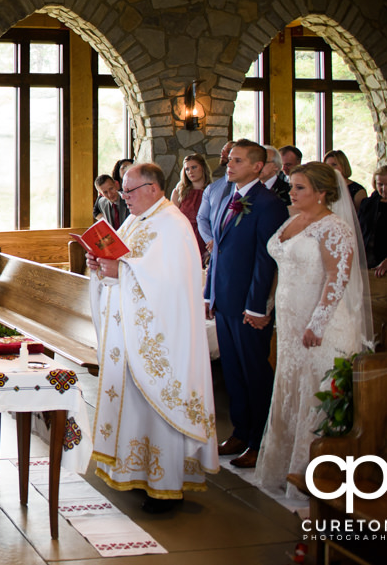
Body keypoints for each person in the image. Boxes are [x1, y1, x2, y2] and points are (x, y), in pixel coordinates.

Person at [86, 163, 218, 513]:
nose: (124, 198)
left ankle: (165, 483)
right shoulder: (137, 219)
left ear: (154, 188)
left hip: (162, 339)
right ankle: (134, 470)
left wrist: (120, 270)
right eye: (123, 191)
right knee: (135, 404)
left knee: (158, 405)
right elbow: (124, 263)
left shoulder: (171, 224)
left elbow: (169, 283)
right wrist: (99, 263)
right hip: (131, 334)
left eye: (129, 191)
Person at [251, 163, 373, 501]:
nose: (292, 192)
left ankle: (319, 479)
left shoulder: (334, 228)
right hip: (290, 323)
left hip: (320, 326)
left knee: (315, 393)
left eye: (300, 188)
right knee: (290, 389)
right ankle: (284, 470)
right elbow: (284, 269)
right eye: (292, 186)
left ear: (322, 192)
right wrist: (269, 307)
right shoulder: (292, 220)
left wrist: (317, 324)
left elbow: (337, 277)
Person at [204, 139, 289, 469]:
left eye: (238, 161)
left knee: (254, 371)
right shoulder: (229, 197)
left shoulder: (268, 203)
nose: (230, 164)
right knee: (233, 370)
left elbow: (265, 260)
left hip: (247, 305)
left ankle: (259, 440)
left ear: (257, 166)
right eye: (230, 160)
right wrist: (209, 294)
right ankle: (240, 431)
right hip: (224, 300)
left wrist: (256, 306)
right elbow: (218, 252)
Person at [171, 153, 211, 255]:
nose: (190, 172)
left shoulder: (212, 191)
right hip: (184, 238)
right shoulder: (179, 192)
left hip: (205, 238)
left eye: (194, 167)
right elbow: (173, 220)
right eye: (187, 169)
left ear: (203, 168)